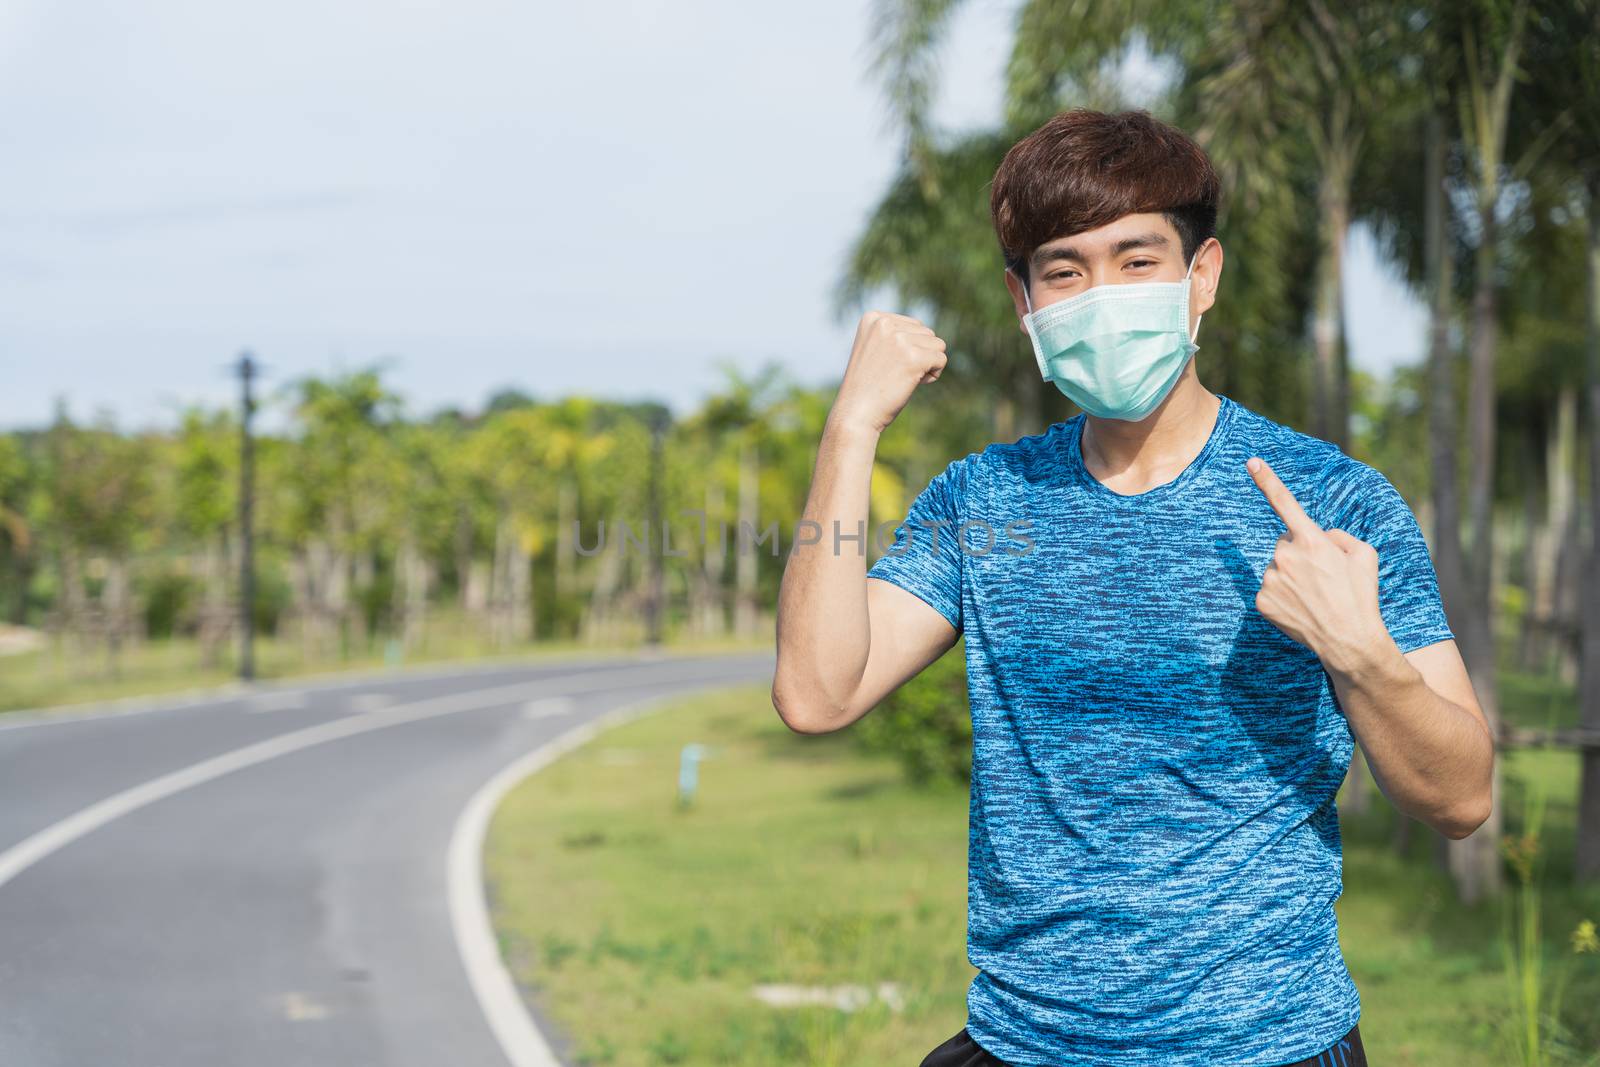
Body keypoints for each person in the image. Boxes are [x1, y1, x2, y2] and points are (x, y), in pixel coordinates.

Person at [770, 108, 1495, 1067]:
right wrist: (852, 426)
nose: (1099, 294)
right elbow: (818, 693)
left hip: (1267, 1043)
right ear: (1024, 300)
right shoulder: (984, 502)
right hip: (1022, 1041)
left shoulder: (1331, 502)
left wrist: (1359, 654)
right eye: (1064, 270)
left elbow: (1462, 796)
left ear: (1202, 277)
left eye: (1136, 259)